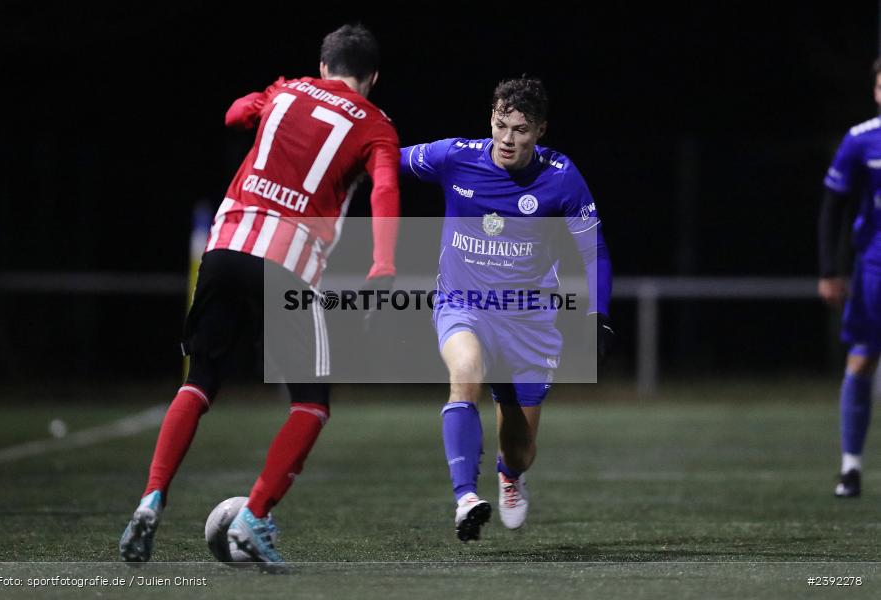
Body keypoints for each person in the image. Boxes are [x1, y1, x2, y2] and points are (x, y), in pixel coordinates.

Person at [119, 23, 400, 565]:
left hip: (226, 246)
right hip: (289, 263)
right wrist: (383, 261)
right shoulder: (376, 125)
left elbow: (232, 115)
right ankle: (254, 515)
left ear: (323, 65)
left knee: (200, 380)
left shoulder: (287, 89)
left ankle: (151, 496)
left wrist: (263, 98)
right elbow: (385, 188)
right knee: (311, 403)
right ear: (372, 78)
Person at [399, 77, 613, 540]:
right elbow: (382, 160)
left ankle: (508, 476)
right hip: (463, 303)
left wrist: (599, 314)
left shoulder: (561, 176)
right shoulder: (455, 156)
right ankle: (465, 499)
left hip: (528, 319)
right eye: (500, 125)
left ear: (540, 130)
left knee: (519, 450)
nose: (507, 139)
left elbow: (594, 249)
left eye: (519, 129)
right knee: (466, 371)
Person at [818, 58, 881, 498]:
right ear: (876, 91)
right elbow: (833, 206)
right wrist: (830, 269)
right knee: (862, 359)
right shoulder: (861, 141)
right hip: (875, 267)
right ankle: (851, 468)